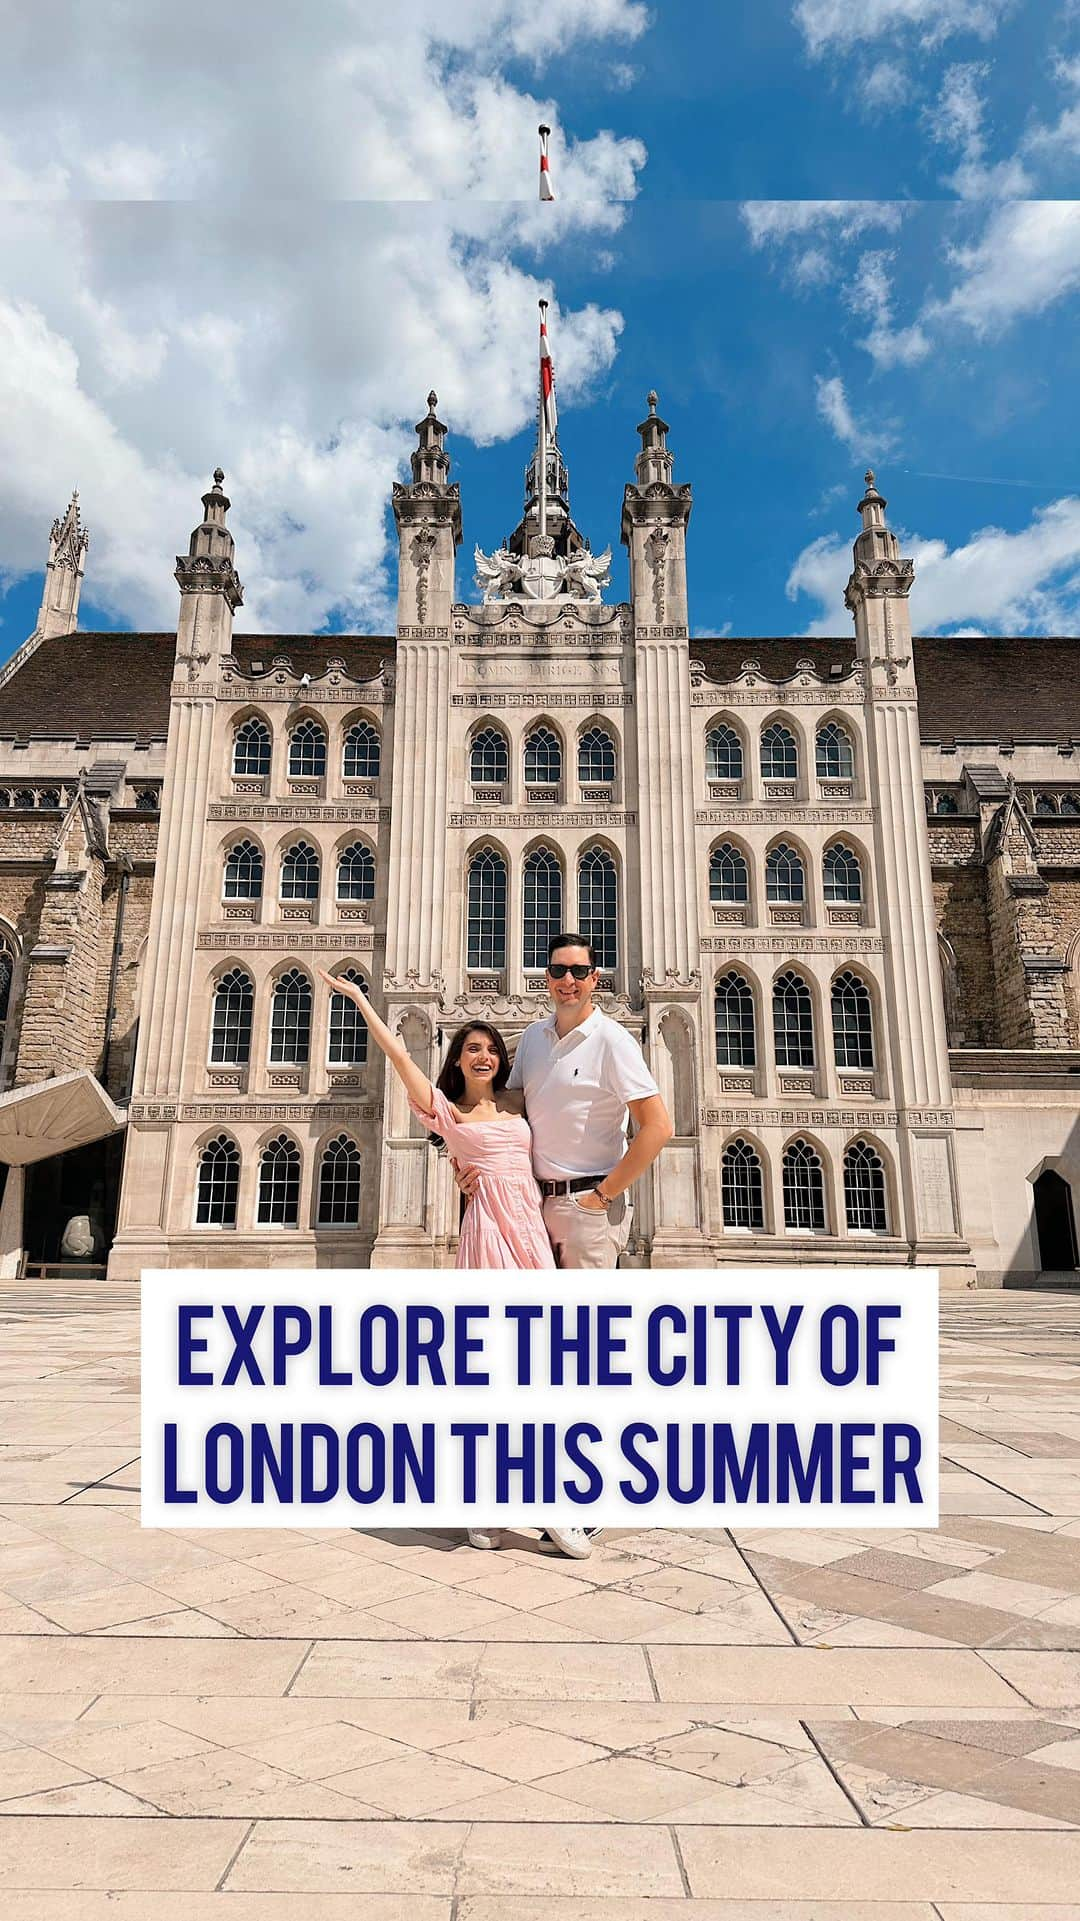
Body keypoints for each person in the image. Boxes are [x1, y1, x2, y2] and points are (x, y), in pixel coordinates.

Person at [316, 968, 591, 1558]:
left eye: (491, 1048)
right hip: (489, 1239)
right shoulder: (447, 1114)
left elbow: (572, 1116)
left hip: (533, 1238)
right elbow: (400, 1057)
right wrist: (362, 998)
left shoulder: (519, 1103)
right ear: (458, 1061)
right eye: (473, 1049)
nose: (484, 1056)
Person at [454, 931, 674, 1555]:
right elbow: (506, 1110)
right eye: (557, 970)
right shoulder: (533, 1039)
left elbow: (657, 1127)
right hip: (527, 1206)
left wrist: (602, 1197)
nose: (567, 980)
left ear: (595, 977)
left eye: (578, 970)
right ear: (545, 977)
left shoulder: (612, 1039)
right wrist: (463, 1156)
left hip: (584, 1210)